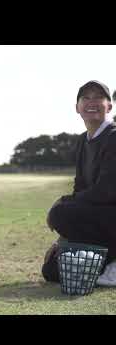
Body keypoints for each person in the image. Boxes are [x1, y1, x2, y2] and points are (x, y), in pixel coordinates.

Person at [42, 80, 116, 286]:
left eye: (98, 97)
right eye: (85, 98)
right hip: (99, 222)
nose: (91, 102)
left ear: (109, 106)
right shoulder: (84, 140)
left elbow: (106, 191)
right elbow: (81, 188)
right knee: (52, 270)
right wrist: (63, 240)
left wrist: (61, 205)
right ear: (77, 108)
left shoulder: (114, 137)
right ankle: (107, 263)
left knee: (60, 213)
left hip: (111, 218)